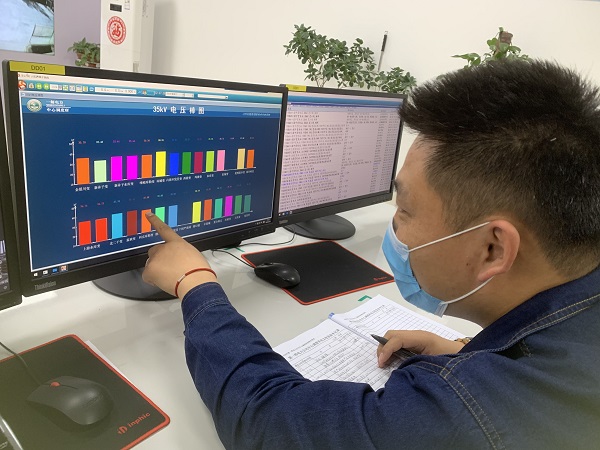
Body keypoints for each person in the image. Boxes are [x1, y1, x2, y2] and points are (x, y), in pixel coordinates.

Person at [143, 59, 600, 449]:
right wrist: (465, 351)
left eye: (405, 209)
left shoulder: (474, 414)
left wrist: (195, 283)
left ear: (492, 248)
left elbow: (270, 417)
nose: (394, 226)